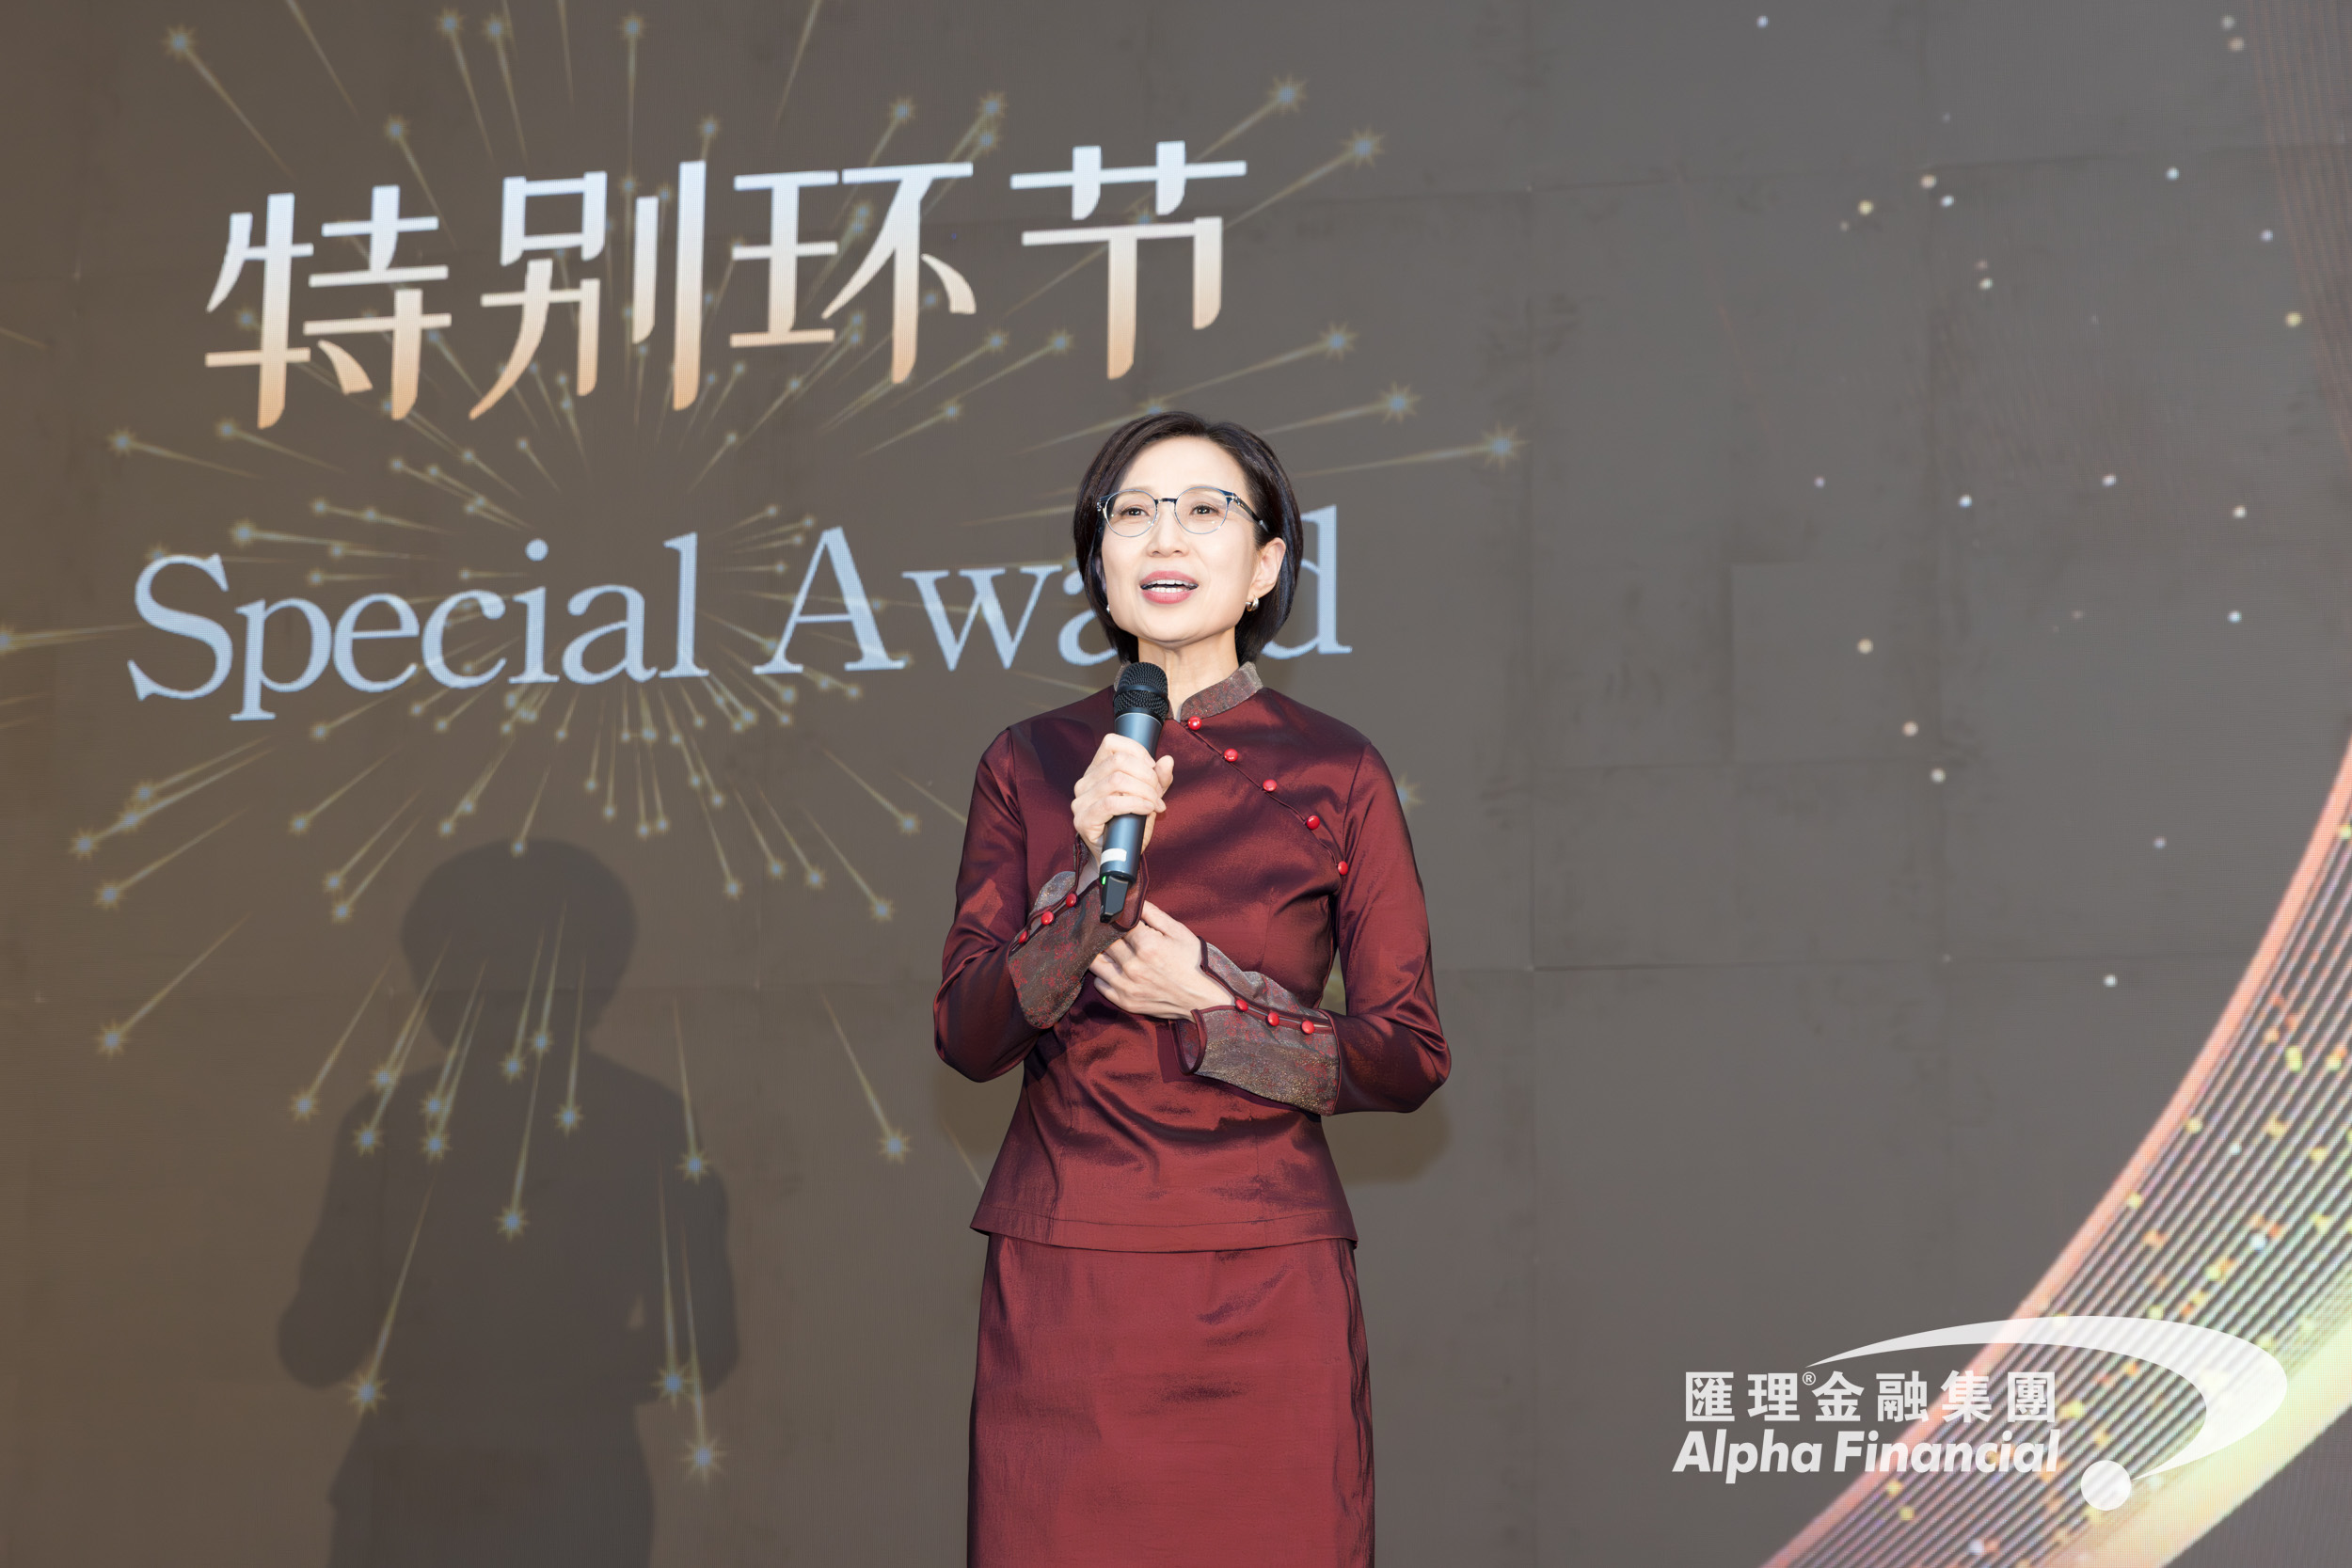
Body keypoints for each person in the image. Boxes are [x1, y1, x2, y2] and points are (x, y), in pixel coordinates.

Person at [933, 411, 1449, 1566]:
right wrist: (1085, 877)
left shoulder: (1337, 767)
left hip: (1263, 1269)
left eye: (1205, 509)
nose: (1164, 534)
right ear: (1100, 563)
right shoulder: (1029, 760)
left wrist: (1211, 1001)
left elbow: (1409, 1049)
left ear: (1265, 565)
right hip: (1070, 1273)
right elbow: (967, 1033)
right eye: (1133, 511)